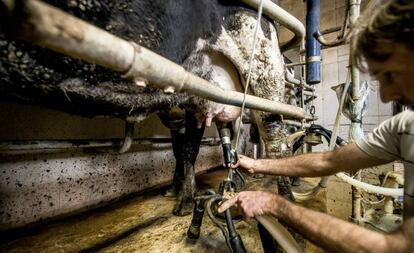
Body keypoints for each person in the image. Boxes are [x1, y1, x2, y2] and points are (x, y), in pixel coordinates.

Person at [218, 0, 414, 252]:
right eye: (380, 79)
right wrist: (256, 164)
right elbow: (328, 162)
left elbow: (398, 247)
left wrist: (277, 206)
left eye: (390, 75)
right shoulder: (404, 125)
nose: (385, 96)